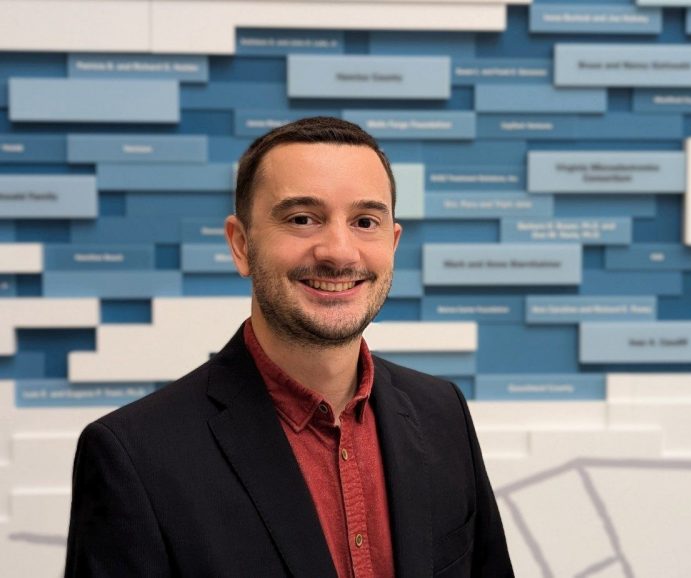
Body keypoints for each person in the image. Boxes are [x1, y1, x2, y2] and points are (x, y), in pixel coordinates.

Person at [65, 117, 514, 577]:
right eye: (302, 219)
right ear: (241, 245)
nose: (339, 252)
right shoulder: (135, 457)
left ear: (392, 242)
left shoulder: (442, 414)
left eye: (365, 221)